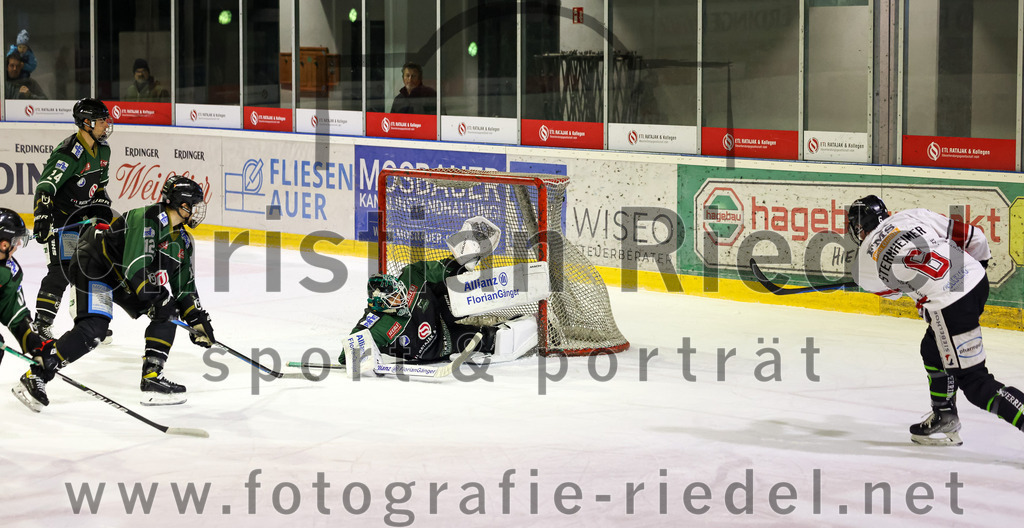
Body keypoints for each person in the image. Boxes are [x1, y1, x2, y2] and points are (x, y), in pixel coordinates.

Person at [17, 176, 216, 410]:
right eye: (193, 205)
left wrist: (197, 319)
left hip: (123, 278)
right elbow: (136, 267)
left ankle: (151, 378)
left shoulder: (182, 241)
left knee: (169, 310)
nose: (196, 211)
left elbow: (185, 287)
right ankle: (37, 373)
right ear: (181, 204)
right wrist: (159, 297)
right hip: (95, 265)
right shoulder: (147, 219)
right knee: (94, 329)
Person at [847, 195, 1024, 446]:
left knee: (975, 383)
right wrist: (973, 272)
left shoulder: (864, 264)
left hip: (950, 306)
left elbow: (896, 292)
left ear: (858, 228)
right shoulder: (911, 215)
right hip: (975, 279)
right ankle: (945, 415)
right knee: (932, 349)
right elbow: (977, 238)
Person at [343, 217, 537, 366]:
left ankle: (469, 266)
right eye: (393, 299)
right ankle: (525, 330)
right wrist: (362, 358)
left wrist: (460, 265)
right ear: (381, 306)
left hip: (439, 310)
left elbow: (439, 270)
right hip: (437, 344)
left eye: (399, 292)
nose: (399, 298)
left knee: (457, 279)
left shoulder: (409, 277)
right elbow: (348, 354)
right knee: (489, 339)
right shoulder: (376, 324)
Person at [32, 98, 114, 342]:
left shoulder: (103, 150)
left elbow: (99, 187)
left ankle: (91, 321)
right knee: (63, 269)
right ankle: (41, 323)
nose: (106, 124)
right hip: (62, 219)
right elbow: (46, 187)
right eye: (101, 120)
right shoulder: (69, 153)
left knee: (93, 268)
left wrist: (101, 206)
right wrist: (43, 217)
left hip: (83, 220)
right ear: (86, 123)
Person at [0, 209, 53, 377]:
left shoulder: (10, 272)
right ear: (4, 243)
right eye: (15, 240)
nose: (18, 245)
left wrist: (34, 343)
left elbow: (14, 312)